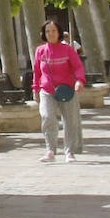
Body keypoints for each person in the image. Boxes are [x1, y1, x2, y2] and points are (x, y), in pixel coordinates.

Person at [32, 18, 85, 162]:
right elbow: (37, 72)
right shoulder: (40, 51)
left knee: (70, 121)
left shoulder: (68, 49)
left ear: (59, 32)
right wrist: (35, 89)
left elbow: (78, 67)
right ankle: (50, 151)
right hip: (47, 91)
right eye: (47, 31)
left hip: (67, 90)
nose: (50, 33)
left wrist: (79, 81)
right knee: (47, 117)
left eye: (53, 30)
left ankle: (70, 152)